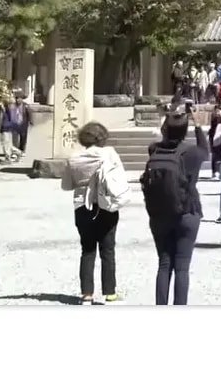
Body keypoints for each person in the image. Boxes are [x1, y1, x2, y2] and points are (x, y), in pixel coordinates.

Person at [141, 104, 207, 304]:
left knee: (164, 264)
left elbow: (162, 138)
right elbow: (206, 148)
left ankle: (161, 305)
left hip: (159, 213)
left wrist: (168, 117)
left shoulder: (154, 149)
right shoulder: (192, 153)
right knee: (182, 267)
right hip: (187, 212)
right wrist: (197, 125)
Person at [61, 121, 130, 304]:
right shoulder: (109, 154)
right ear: (102, 137)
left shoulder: (73, 158)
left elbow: (66, 186)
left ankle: (86, 294)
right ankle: (110, 293)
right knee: (108, 250)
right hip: (106, 205)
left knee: (87, 250)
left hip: (82, 207)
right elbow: (119, 178)